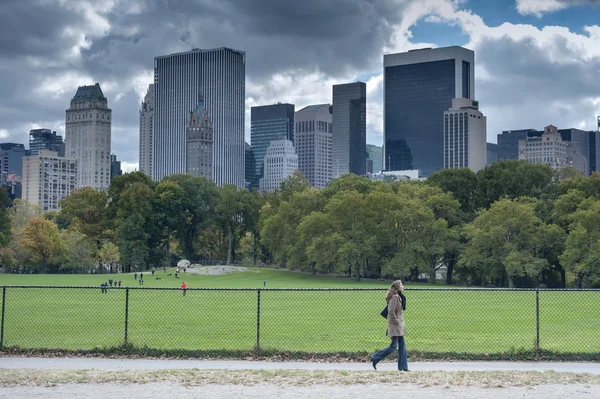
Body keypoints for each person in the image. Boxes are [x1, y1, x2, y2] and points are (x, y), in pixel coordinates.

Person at [370, 280, 408, 371]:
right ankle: (376, 357)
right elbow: (391, 311)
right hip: (395, 325)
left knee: (402, 345)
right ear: (397, 287)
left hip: (399, 324)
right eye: (401, 285)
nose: (403, 286)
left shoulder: (399, 296)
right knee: (394, 346)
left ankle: (403, 367)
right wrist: (396, 321)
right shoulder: (395, 297)